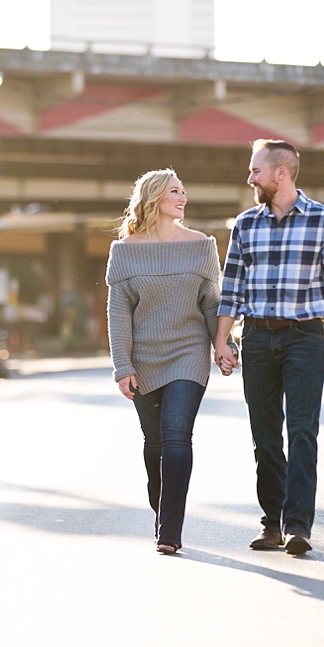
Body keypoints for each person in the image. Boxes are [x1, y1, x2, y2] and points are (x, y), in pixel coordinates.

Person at [213, 139, 324, 556]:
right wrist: (221, 339)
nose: (250, 178)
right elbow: (231, 290)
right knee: (264, 434)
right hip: (258, 337)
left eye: (256, 171)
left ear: (281, 173)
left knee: (302, 430)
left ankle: (298, 525)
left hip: (305, 338)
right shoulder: (244, 225)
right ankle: (272, 523)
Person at [106, 168, 231, 555]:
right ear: (155, 198)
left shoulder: (202, 246)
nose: (184, 197)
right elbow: (118, 314)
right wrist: (122, 367)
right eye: (175, 191)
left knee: (177, 434)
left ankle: (170, 530)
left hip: (188, 353)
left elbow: (212, 303)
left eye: (184, 191)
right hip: (143, 356)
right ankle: (161, 507)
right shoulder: (125, 250)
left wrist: (222, 345)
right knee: (155, 442)